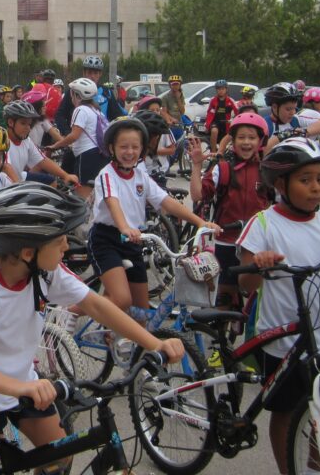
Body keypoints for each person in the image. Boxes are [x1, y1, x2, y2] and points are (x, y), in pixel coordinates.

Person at [0, 182, 185, 474]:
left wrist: (154, 343)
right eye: (59, 240)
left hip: (24, 384)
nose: (66, 246)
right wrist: (22, 386)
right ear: (28, 252)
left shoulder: (46, 274)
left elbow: (97, 305)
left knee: (60, 455)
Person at [236, 137, 320, 474]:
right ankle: (289, 469)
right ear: (281, 184)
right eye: (305, 180)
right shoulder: (264, 223)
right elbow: (245, 283)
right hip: (283, 341)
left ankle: (313, 466)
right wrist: (260, 266)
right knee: (287, 413)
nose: (315, 188)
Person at [88, 117, 220, 361]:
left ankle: (139, 367)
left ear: (142, 149)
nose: (129, 152)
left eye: (135, 147)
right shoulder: (106, 175)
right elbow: (112, 202)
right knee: (122, 298)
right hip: (106, 239)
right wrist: (125, 226)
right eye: (123, 147)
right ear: (112, 149)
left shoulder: (140, 173)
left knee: (141, 313)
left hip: (134, 241)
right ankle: (81, 304)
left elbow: (165, 202)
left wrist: (200, 222)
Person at [189, 112, 269, 313]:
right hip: (226, 241)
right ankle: (221, 341)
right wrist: (197, 165)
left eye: (252, 138)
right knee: (224, 296)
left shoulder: (267, 171)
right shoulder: (223, 169)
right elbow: (197, 195)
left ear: (260, 141)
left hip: (257, 242)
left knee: (257, 298)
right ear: (232, 141)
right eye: (241, 137)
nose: (246, 142)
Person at [47, 78, 107, 200]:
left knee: (83, 198)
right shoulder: (96, 110)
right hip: (100, 155)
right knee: (95, 197)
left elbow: (74, 136)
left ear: (77, 95)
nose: (70, 96)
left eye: (72, 93)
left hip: (87, 157)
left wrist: (56, 145)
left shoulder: (80, 110)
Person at [3, 100, 76, 186]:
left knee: (51, 181)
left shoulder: (26, 140)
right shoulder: (3, 140)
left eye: (29, 124)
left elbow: (43, 160)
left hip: (19, 176)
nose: (28, 128)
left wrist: (65, 175)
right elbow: (6, 167)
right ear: (10, 122)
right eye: (23, 123)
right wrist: (19, 186)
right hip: (5, 183)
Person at [204, 79, 238, 152]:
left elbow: (238, 112)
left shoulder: (231, 100)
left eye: (223, 89)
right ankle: (213, 152)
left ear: (226, 89)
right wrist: (207, 125)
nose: (221, 91)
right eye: (219, 89)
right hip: (215, 122)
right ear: (216, 90)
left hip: (226, 123)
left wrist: (236, 121)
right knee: (214, 131)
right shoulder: (213, 100)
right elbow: (209, 113)